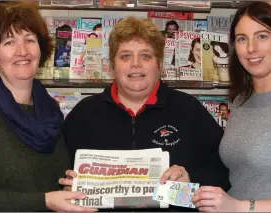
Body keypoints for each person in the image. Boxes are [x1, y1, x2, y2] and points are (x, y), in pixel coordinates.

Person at [59, 16, 230, 211]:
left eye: (146, 56)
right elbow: (55, 176)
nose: (135, 64)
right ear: (112, 65)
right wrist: (66, 188)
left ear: (159, 64)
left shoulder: (189, 110)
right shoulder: (84, 114)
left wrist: (191, 182)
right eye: (125, 56)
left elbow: (223, 175)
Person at [0, 2, 97, 212]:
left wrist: (68, 191)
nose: (23, 51)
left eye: (30, 40)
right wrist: (45, 201)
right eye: (9, 42)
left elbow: (52, 183)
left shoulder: (50, 110)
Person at [192, 1, 271, 212]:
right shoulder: (241, 100)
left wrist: (240, 207)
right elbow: (240, 172)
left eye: (262, 36)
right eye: (242, 39)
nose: (251, 48)